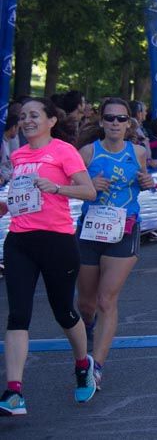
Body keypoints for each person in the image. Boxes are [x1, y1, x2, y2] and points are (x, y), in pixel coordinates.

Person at [1, 97, 98, 415]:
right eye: (22, 116)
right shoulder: (18, 155)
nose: (26, 120)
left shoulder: (63, 151)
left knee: (64, 312)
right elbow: (21, 197)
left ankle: (83, 364)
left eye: (34, 115)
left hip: (57, 241)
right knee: (18, 315)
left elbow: (88, 191)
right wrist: (5, 205)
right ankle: (14, 392)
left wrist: (57, 188)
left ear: (51, 121)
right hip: (19, 241)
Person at [74, 98, 155, 390]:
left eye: (121, 119)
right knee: (86, 304)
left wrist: (147, 183)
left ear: (129, 123)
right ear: (101, 122)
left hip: (124, 228)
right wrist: (88, 186)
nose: (115, 123)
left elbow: (144, 182)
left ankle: (95, 367)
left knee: (107, 299)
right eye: (110, 118)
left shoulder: (138, 152)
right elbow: (70, 187)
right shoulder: (86, 153)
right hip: (90, 230)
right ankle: (89, 328)